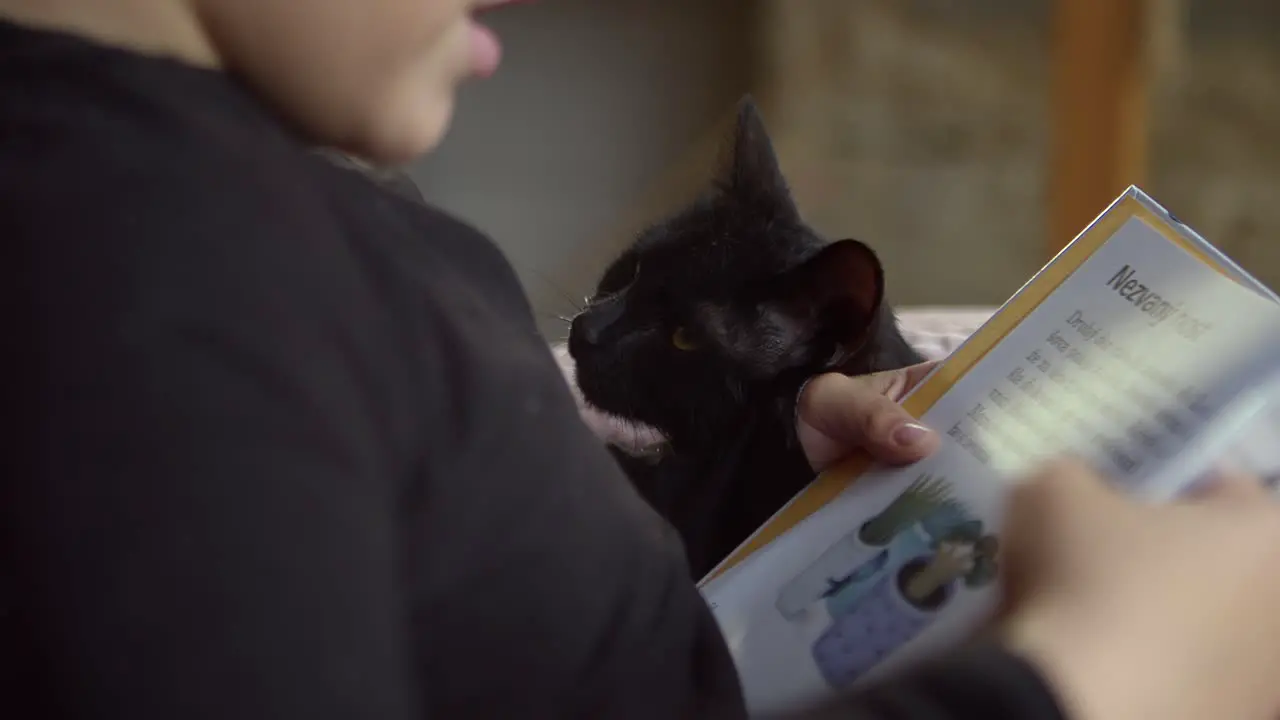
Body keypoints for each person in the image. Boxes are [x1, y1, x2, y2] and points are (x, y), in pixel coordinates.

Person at [3, 1, 1280, 718]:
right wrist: (1099, 679)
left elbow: (445, 536)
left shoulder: (211, 213)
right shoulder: (134, 268)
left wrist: (756, 455)